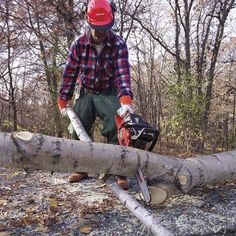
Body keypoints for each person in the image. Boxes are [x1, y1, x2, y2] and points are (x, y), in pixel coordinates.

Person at [57, 0, 133, 190]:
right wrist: (63, 100)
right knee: (77, 127)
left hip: (109, 92)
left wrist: (125, 100)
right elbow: (69, 74)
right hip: (87, 92)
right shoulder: (79, 44)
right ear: (88, 20)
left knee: (118, 127)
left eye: (104, 28)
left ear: (111, 22)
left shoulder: (118, 44)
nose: (100, 32)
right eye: (97, 28)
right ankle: (82, 168)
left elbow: (123, 74)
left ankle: (118, 170)